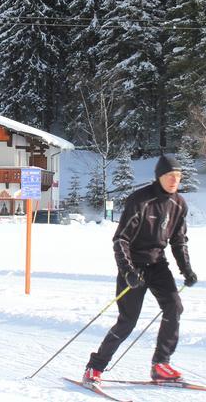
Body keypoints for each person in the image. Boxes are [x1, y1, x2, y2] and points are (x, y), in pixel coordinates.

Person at [84, 154, 197, 385]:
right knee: (128, 321)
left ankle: (161, 365)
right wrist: (128, 271)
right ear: (159, 177)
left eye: (178, 176)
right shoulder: (140, 200)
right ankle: (94, 368)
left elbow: (179, 241)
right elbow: (121, 240)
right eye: (170, 176)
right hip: (134, 265)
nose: (175, 180)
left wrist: (186, 270)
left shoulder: (179, 204)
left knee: (174, 308)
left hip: (158, 264)